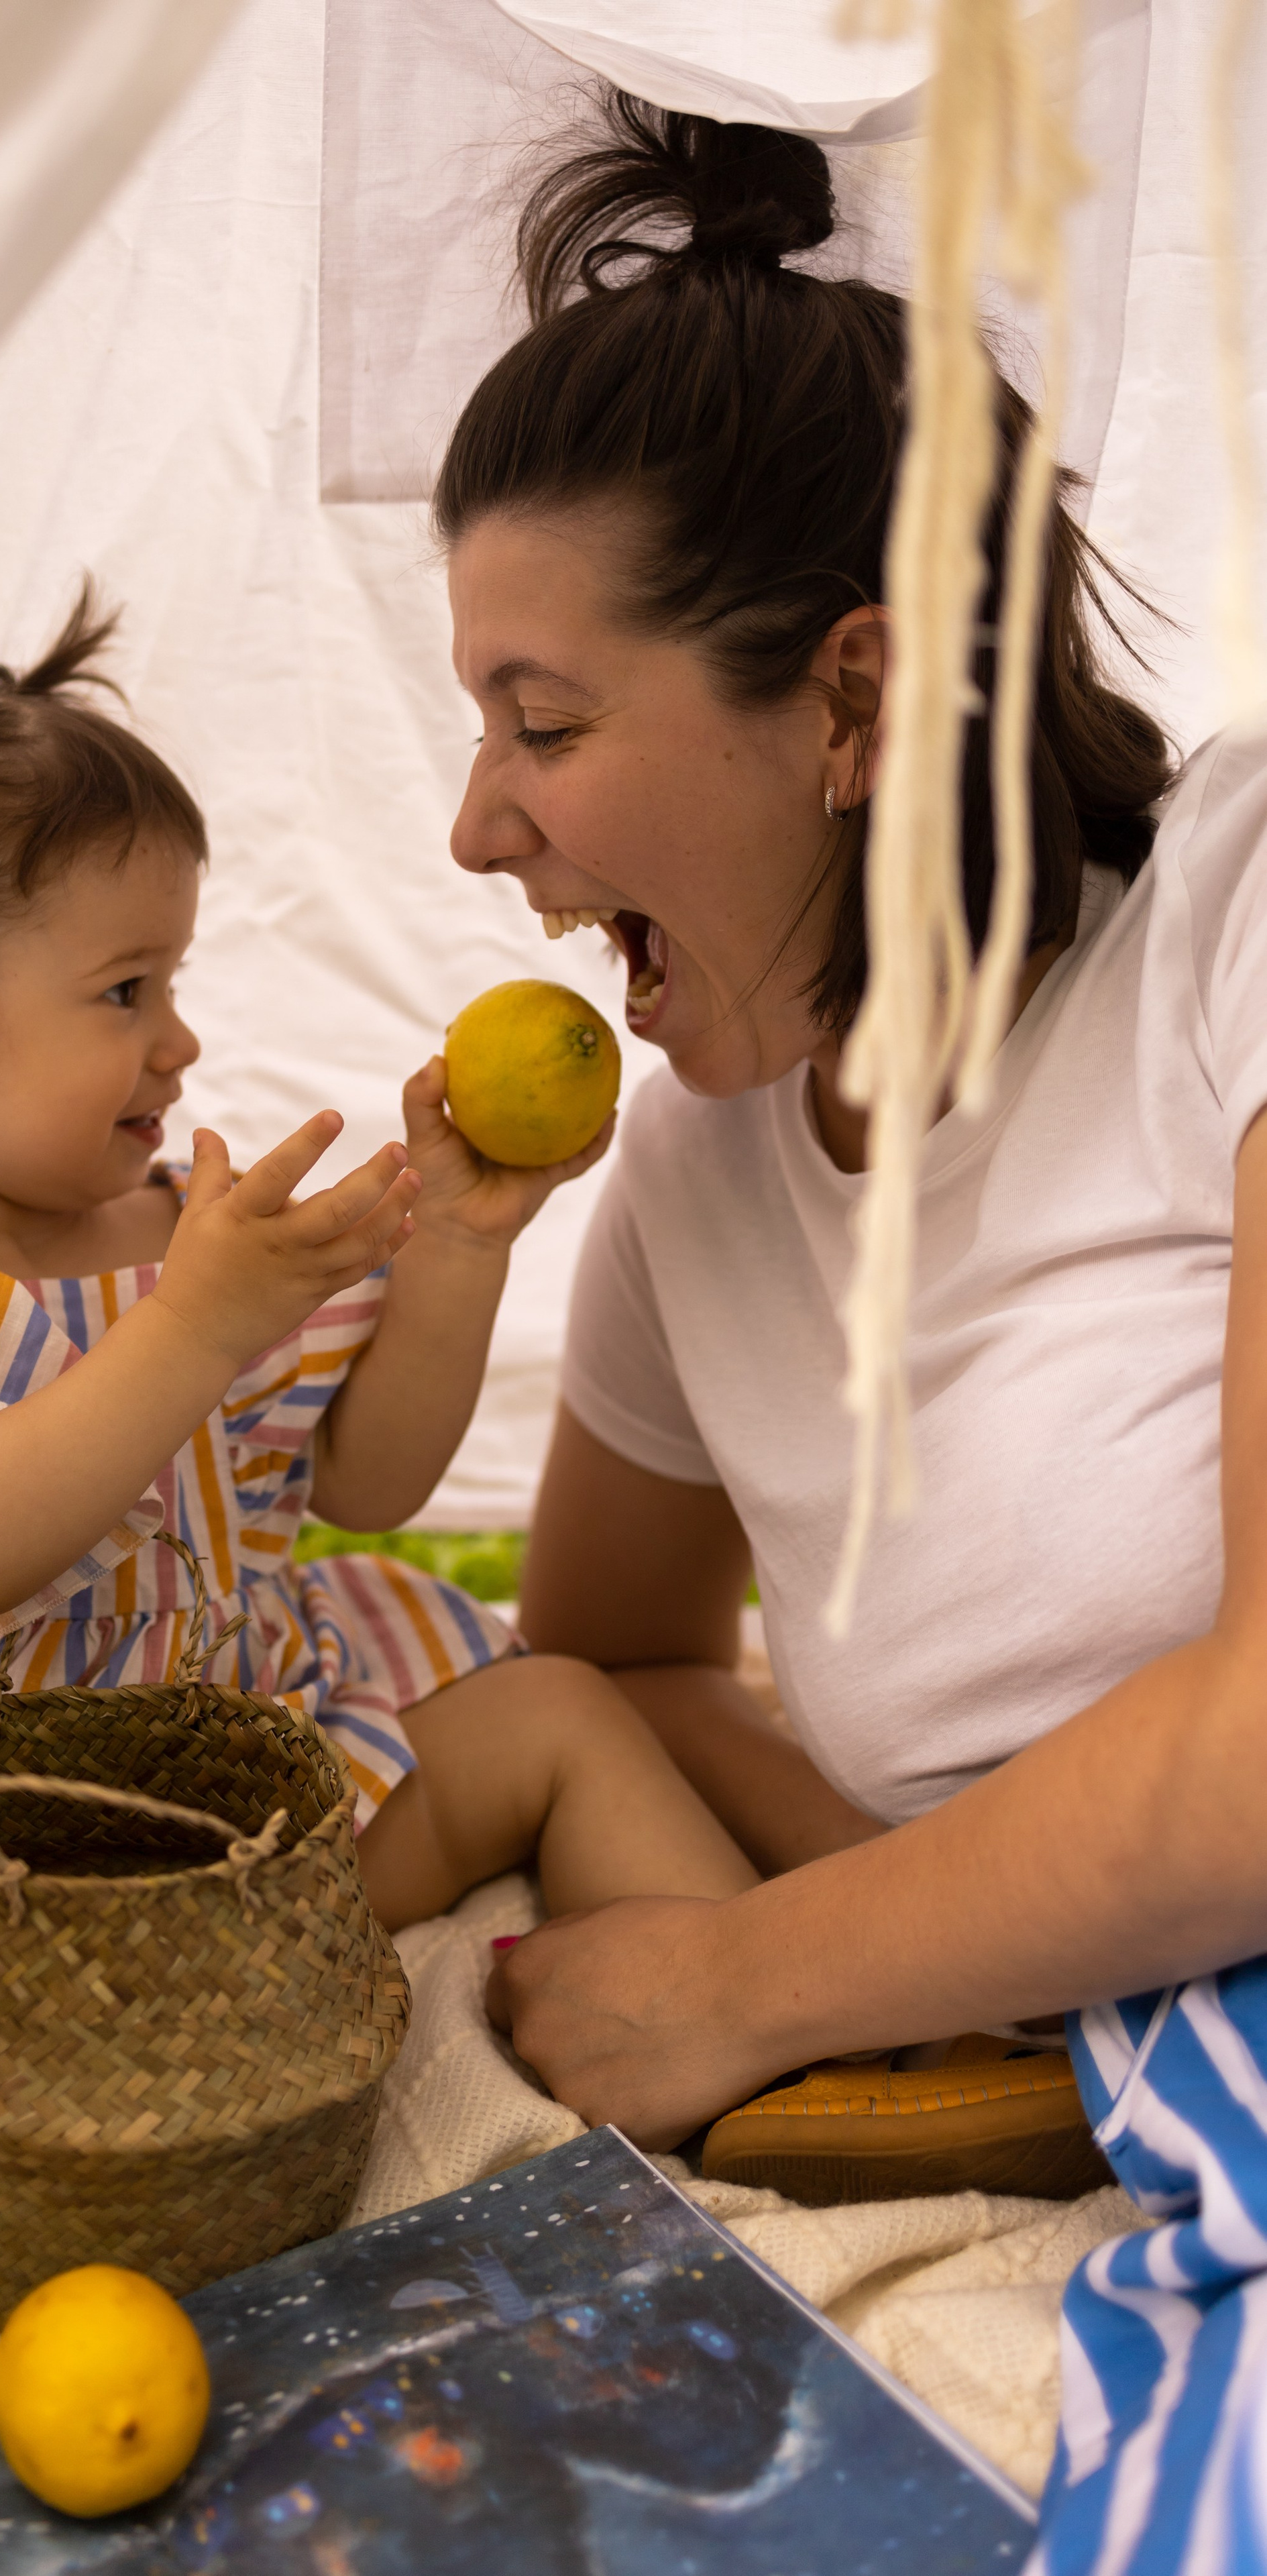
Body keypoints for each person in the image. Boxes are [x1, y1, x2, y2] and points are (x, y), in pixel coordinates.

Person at [444, 93, 1267, 2576]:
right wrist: (971, 1974)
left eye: (544, 722)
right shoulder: (700, 1164)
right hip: (1133, 2053)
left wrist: (744, 1989)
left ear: (854, 699)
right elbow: (599, 1683)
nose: (474, 829)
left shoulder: (1236, 919)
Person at [0, 591, 756, 2160]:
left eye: (173, 984)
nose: (179, 1043)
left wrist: (456, 1251)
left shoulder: (195, 1234)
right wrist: (188, 1330)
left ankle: (767, 2037)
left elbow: (366, 1487)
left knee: (560, 1718)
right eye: (125, 994)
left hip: (247, 1819)